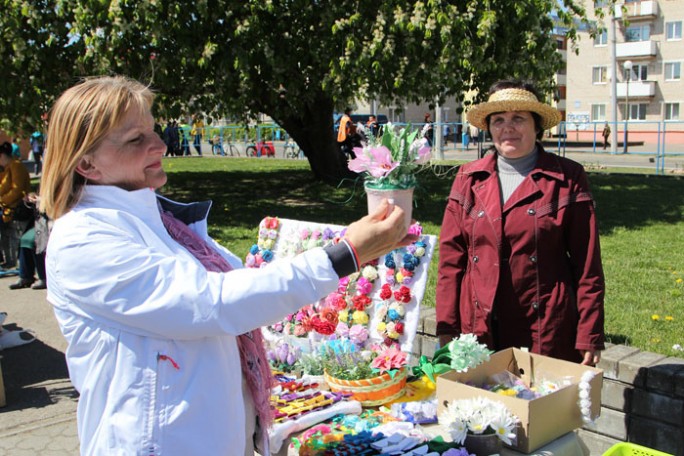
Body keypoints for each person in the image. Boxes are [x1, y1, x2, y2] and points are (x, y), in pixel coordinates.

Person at [39, 76, 416, 456]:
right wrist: (343, 255)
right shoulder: (82, 239)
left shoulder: (157, 220)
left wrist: (352, 251)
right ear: (87, 162)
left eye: (153, 131)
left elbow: (243, 288)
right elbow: (212, 303)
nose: (160, 144)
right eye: (136, 139)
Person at [435, 80, 605, 366]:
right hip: (479, 328)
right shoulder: (468, 178)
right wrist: (446, 326)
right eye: (498, 120)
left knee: (539, 408)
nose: (507, 127)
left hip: (545, 327)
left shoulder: (568, 178)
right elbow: (451, 262)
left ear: (537, 126)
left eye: (518, 119)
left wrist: (589, 332)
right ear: (488, 128)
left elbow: (588, 266)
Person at [0, 142, 32, 269]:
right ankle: (9, 260)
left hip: (16, 209)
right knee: (6, 236)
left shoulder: (16, 166)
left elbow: (17, 190)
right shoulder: (7, 168)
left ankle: (19, 265)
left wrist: (2, 200)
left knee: (15, 238)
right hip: (8, 208)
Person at [9, 192, 49, 290]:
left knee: (35, 240)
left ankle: (44, 277)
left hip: (51, 220)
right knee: (25, 239)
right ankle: (25, 276)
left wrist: (42, 200)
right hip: (40, 219)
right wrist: (31, 198)